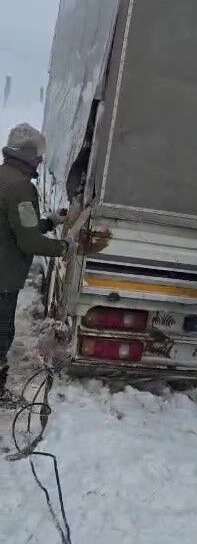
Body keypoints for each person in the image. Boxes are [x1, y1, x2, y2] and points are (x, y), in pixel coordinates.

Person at [0, 124, 108, 406]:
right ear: (26, 155)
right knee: (1, 334)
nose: (40, 161)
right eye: (37, 156)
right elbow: (29, 242)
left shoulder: (3, 177)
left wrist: (50, 222)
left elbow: (15, 228)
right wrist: (65, 248)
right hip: (3, 277)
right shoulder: (20, 188)